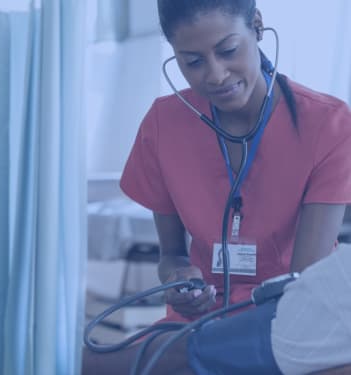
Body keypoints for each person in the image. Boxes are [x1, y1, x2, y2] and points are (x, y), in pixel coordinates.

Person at [119, 0, 351, 323]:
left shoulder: (330, 125)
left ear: (256, 25)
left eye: (228, 50)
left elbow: (303, 286)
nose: (215, 75)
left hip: (293, 320)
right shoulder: (163, 125)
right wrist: (179, 280)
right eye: (193, 61)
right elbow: (171, 255)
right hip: (198, 323)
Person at [82, 244, 351, 374]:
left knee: (189, 351)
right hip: (318, 301)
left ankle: (75, 364)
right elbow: (171, 253)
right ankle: (74, 364)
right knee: (187, 349)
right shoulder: (163, 138)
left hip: (315, 316)